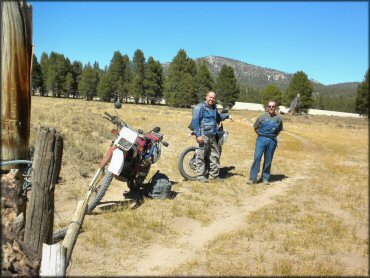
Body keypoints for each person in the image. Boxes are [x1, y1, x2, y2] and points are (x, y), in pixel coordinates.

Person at [191, 91, 226, 182]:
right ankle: (200, 176)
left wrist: (227, 116)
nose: (212, 99)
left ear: (215, 99)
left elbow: (218, 117)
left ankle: (213, 176)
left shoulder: (214, 108)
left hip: (213, 135)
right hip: (203, 135)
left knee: (214, 155)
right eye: (210, 97)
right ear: (206, 97)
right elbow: (195, 122)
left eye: (213, 98)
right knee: (201, 156)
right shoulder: (200, 107)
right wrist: (198, 135)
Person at [247, 100, 283, 185]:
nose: (271, 108)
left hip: (272, 140)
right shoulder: (262, 117)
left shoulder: (278, 119)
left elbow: (279, 130)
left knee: (268, 160)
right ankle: (253, 178)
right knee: (257, 157)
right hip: (261, 139)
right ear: (267, 107)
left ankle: (265, 178)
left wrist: (272, 136)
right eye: (269, 106)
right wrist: (261, 135)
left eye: (273, 106)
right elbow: (255, 128)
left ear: (276, 108)